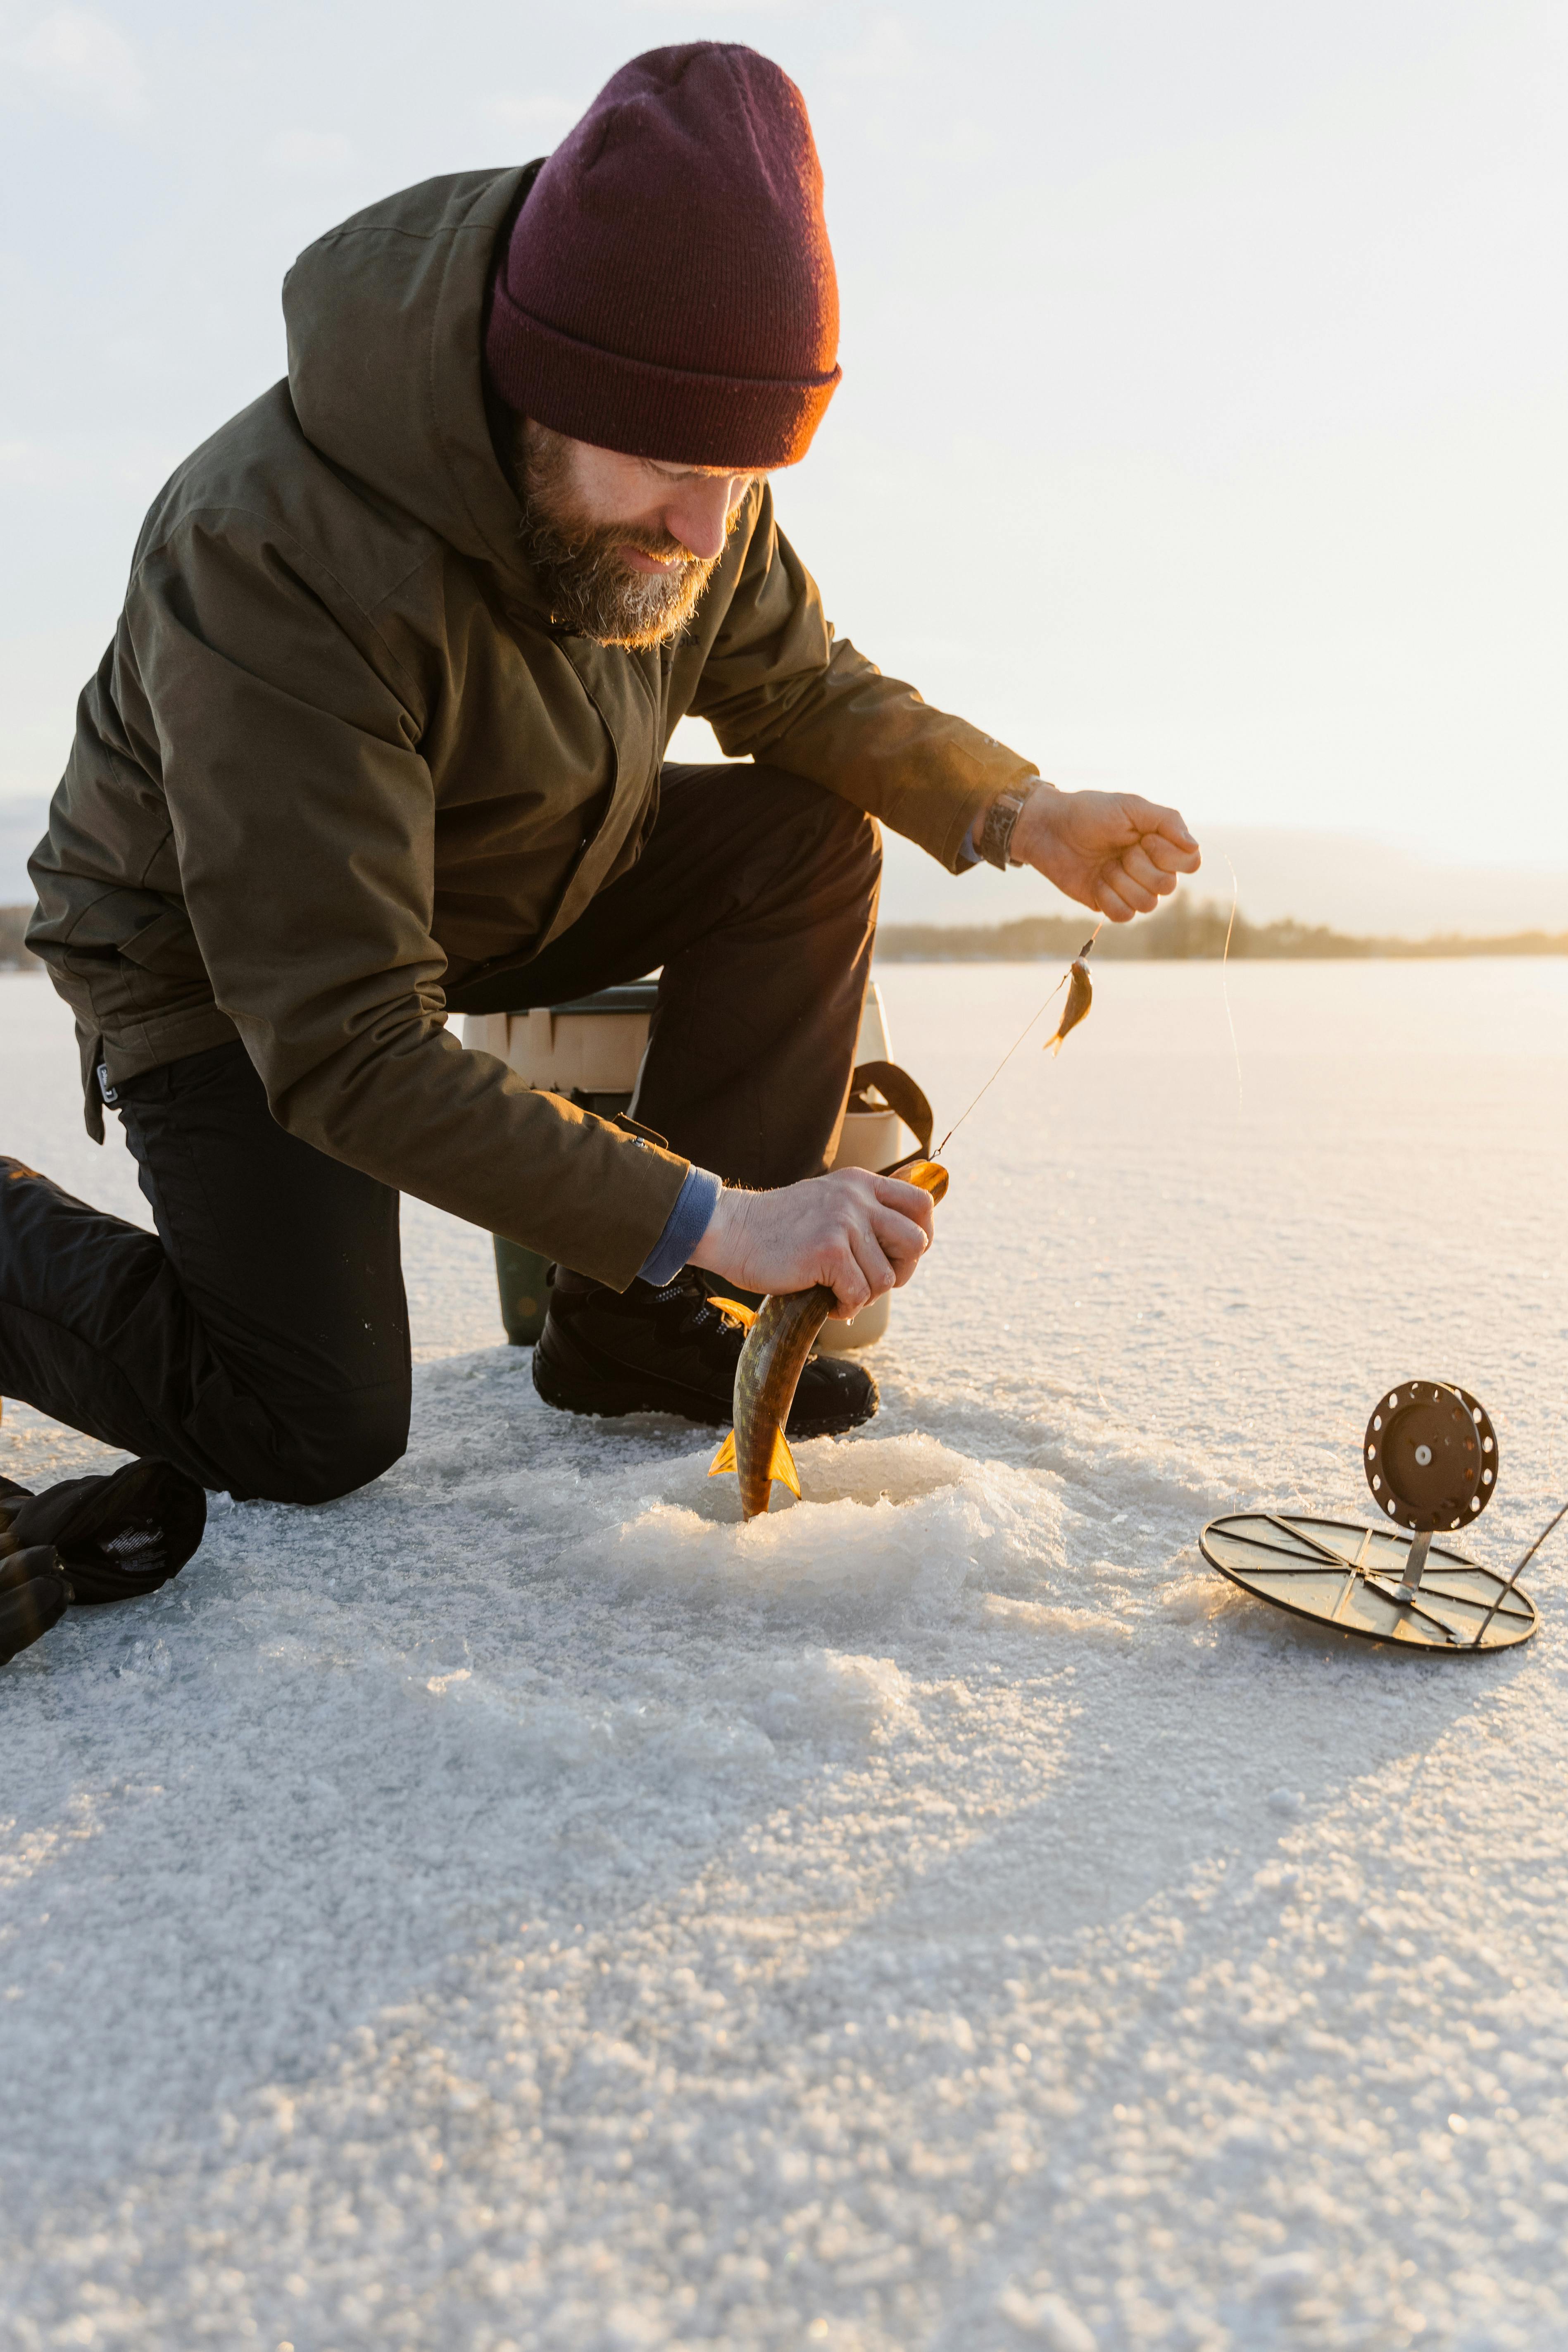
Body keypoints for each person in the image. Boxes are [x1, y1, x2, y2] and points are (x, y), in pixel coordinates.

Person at [2, 42, 1199, 1507]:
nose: (706, 532)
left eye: (746, 475)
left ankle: (635, 1323)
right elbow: (343, 1038)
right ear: (536, 383)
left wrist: (1019, 811)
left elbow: (800, 681)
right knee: (305, 1419)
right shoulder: (271, 549)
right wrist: (729, 1219)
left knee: (803, 835)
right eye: (671, 469)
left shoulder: (690, 479)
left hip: (508, 864)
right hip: (218, 948)